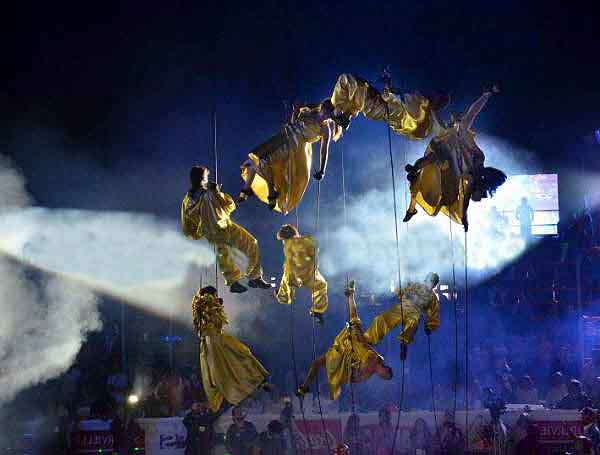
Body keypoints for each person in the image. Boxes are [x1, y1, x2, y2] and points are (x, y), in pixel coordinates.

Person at [404, 86, 506, 231]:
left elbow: (465, 202)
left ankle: (415, 186)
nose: (456, 122)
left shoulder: (472, 176)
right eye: (455, 120)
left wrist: (465, 219)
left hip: (451, 170)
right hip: (448, 153)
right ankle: (415, 172)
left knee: (440, 193)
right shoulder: (459, 134)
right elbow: (473, 112)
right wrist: (487, 94)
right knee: (434, 157)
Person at [239, 99, 344, 213]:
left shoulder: (325, 129)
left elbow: (324, 150)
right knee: (254, 158)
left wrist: (322, 170)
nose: (325, 117)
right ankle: (257, 190)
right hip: (283, 136)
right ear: (321, 108)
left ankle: (250, 190)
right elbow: (293, 123)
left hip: (293, 148)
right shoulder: (308, 112)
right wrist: (294, 111)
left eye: (329, 116)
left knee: (263, 163)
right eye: (325, 113)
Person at [296, 281, 393, 400]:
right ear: (386, 369)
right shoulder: (377, 359)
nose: (383, 374)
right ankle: (351, 295)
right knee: (354, 320)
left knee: (318, 363)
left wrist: (349, 374)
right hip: (352, 345)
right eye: (386, 373)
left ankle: (305, 388)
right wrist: (358, 335)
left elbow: (355, 379)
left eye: (384, 376)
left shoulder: (368, 374)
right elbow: (365, 346)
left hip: (346, 358)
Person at [181, 165, 271, 294]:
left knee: (252, 242)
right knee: (224, 255)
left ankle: (254, 277)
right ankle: (233, 282)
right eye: (205, 177)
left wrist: (217, 192)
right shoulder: (190, 199)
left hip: (227, 225)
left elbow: (229, 205)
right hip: (212, 231)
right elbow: (190, 217)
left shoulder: (210, 192)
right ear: (200, 179)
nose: (206, 180)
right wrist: (197, 232)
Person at [192, 286, 270, 412]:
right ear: (210, 294)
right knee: (242, 354)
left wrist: (218, 304)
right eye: (215, 295)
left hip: (210, 343)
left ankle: (254, 382)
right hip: (216, 340)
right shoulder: (204, 303)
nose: (216, 297)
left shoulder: (200, 307)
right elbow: (211, 310)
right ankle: (255, 380)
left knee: (224, 368)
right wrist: (217, 303)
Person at [330, 71, 447, 139]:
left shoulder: (421, 108)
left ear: (438, 103)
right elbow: (391, 97)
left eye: (437, 95)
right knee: (356, 94)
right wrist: (387, 84)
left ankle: (336, 112)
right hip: (378, 108)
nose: (432, 93)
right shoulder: (422, 112)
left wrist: (387, 83)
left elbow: (390, 98)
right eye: (435, 93)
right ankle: (345, 116)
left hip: (377, 107)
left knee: (347, 80)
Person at [366, 273, 441, 361]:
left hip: (415, 312)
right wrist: (402, 290)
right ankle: (369, 338)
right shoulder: (415, 285)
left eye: (433, 283)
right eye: (430, 281)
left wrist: (429, 326)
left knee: (413, 323)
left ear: (435, 285)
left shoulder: (433, 298)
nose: (431, 284)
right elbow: (401, 289)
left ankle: (404, 343)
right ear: (426, 280)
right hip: (402, 307)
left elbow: (434, 313)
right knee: (382, 318)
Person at [275, 224, 328, 323]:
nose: (283, 243)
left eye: (283, 240)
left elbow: (290, 264)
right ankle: (317, 311)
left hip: (296, 273)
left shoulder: (288, 245)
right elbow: (315, 252)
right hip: (309, 274)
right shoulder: (308, 240)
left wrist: (292, 280)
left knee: (286, 282)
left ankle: (283, 297)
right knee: (321, 285)